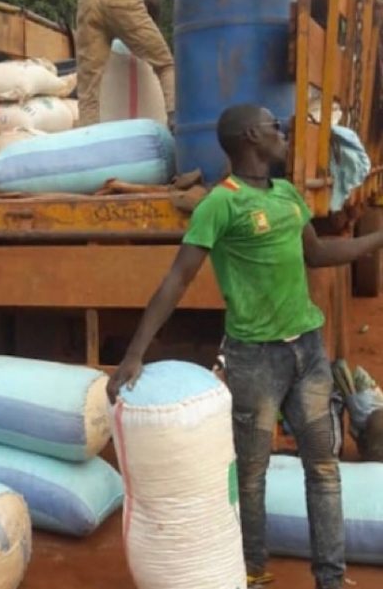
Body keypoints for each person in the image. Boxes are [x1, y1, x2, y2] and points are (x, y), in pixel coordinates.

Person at [107, 104, 383, 589]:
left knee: (323, 467)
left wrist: (376, 240)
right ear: (252, 136)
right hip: (255, 360)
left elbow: (317, 256)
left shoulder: (289, 195)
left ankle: (331, 579)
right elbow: (178, 279)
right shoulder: (221, 203)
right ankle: (254, 572)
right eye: (275, 127)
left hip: (309, 352)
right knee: (251, 474)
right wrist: (135, 352)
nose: (283, 134)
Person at [75, 0, 175, 128]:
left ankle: (87, 135)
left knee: (88, 83)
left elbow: (101, 4)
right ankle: (175, 119)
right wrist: (151, 28)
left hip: (87, 0)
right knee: (165, 63)